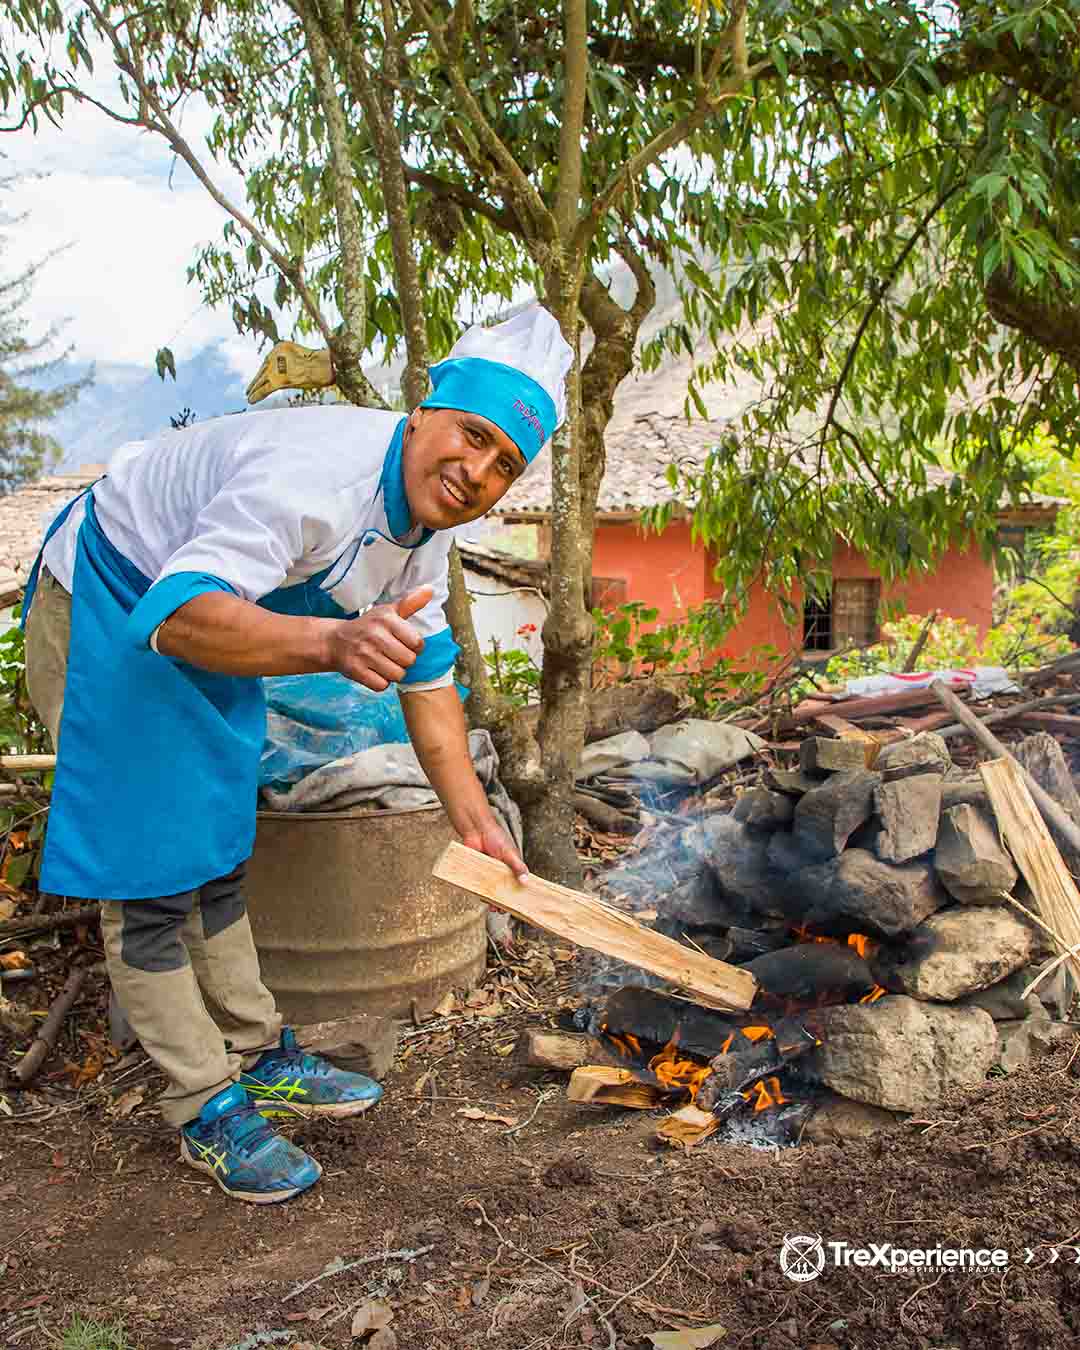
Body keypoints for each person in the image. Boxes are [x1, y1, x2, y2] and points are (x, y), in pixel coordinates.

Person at [22, 305, 572, 1204]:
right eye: (471, 436)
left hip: (216, 616)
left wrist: (477, 826)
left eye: (504, 463)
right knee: (149, 876)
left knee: (220, 846)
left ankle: (254, 1049)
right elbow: (174, 614)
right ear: (424, 408)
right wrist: (326, 644)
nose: (477, 472)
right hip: (111, 599)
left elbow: (429, 684)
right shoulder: (313, 475)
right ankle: (205, 1103)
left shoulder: (423, 535)